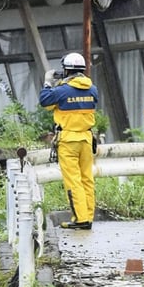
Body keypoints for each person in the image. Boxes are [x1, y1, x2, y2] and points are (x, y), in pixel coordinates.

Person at [39, 52, 100, 230]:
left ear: (66, 70)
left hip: (68, 140)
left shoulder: (61, 90)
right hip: (87, 139)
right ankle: (88, 215)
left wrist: (48, 82)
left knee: (73, 181)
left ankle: (80, 219)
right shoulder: (92, 89)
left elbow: (45, 101)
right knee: (87, 179)